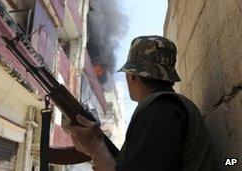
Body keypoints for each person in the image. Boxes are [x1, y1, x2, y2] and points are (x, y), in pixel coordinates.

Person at [65, 36, 217, 171]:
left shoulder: (159, 109)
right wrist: (99, 141)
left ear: (133, 76)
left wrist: (96, 148)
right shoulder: (168, 106)